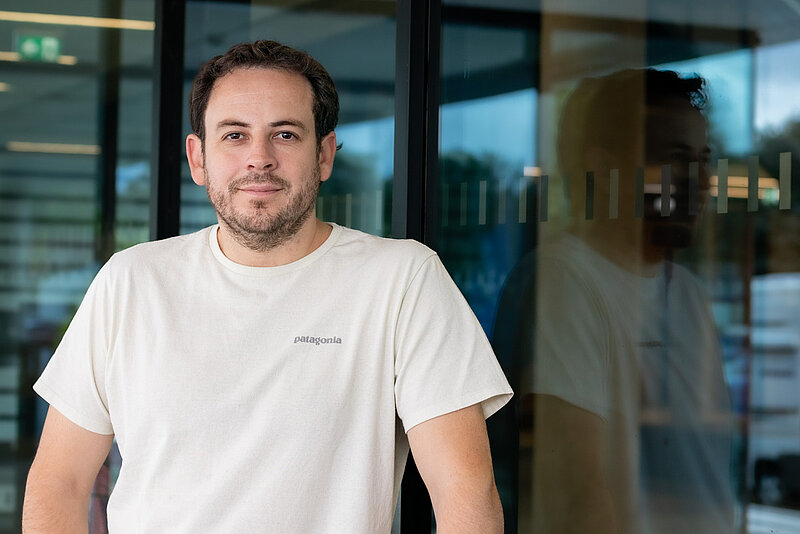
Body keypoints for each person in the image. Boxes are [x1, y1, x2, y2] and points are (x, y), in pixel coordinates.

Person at [22, 40, 512, 533]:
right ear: (198, 158)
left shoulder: (402, 280)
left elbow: (465, 493)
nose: (259, 158)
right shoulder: (131, 282)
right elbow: (59, 483)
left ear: (323, 154)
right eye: (234, 135)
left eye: (284, 134)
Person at [493, 69, 734, 533]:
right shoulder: (565, 283)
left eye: (704, 160)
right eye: (676, 159)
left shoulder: (687, 294)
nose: (701, 181)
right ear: (604, 170)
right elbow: (577, 498)